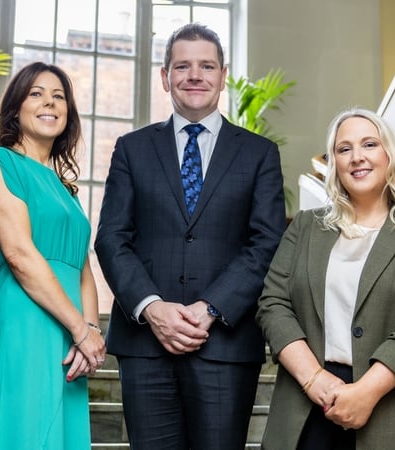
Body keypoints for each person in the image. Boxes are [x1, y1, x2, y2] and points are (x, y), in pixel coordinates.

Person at [94, 23, 286, 450]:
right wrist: (153, 308)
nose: (194, 75)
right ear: (165, 77)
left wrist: (211, 307)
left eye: (206, 66)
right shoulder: (132, 149)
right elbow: (111, 238)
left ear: (222, 75)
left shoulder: (259, 154)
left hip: (226, 346)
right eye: (182, 66)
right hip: (146, 345)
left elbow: (267, 242)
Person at [256, 108, 395, 450]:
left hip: (392, 405)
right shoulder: (305, 226)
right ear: (334, 162)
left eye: (369, 144)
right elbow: (272, 304)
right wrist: (314, 380)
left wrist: (366, 392)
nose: (357, 157)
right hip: (307, 406)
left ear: (389, 155)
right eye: (343, 148)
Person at [0, 62, 106, 450]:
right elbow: (20, 255)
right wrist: (80, 330)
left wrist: (90, 333)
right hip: (24, 325)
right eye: (37, 93)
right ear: (15, 108)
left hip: (72, 335)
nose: (50, 102)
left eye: (59, 96)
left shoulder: (67, 190)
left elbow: (83, 270)